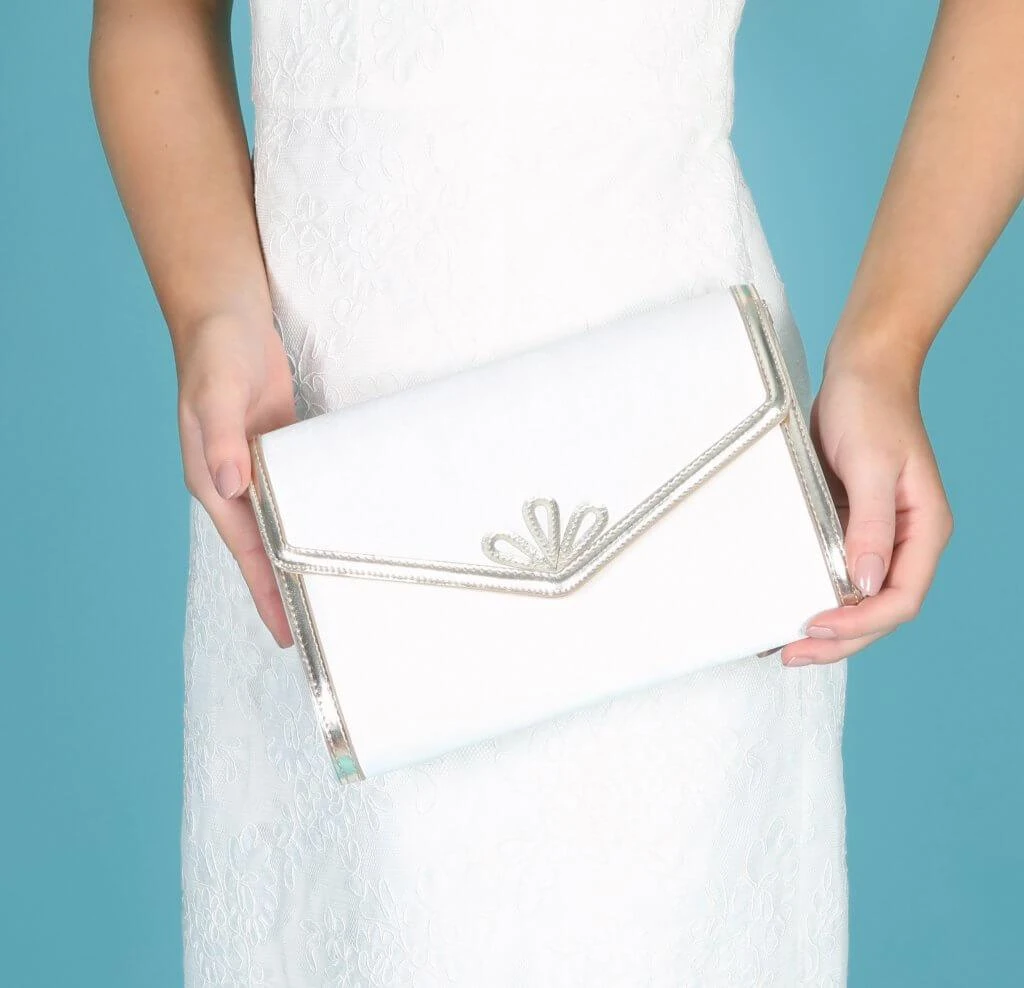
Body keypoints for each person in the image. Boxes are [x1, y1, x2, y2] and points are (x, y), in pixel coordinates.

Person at [89, 0, 1021, 983]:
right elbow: (152, 19)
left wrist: (885, 351)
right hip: (314, 441)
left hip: (670, 448)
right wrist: (212, 310)